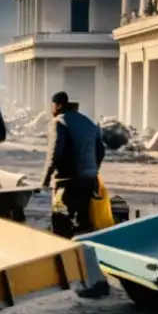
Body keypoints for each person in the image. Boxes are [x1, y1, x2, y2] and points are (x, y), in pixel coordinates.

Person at [41, 91, 105, 238]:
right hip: (89, 180)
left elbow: (54, 155)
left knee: (61, 221)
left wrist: (45, 180)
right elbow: (101, 150)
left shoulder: (58, 122)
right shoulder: (89, 122)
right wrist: (94, 170)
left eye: (52, 106)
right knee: (83, 221)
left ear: (58, 105)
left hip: (67, 181)